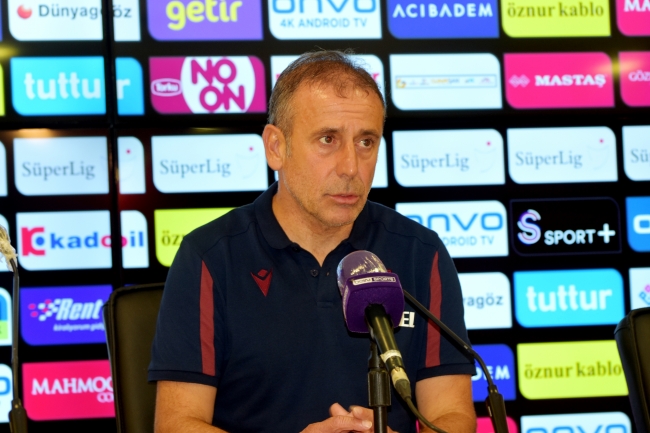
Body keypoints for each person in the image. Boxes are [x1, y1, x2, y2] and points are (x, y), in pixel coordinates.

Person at [149, 50, 476, 433]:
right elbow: (176, 423)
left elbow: (452, 416)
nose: (351, 167)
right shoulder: (209, 257)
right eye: (327, 139)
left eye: (366, 142)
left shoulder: (421, 253)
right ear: (276, 147)